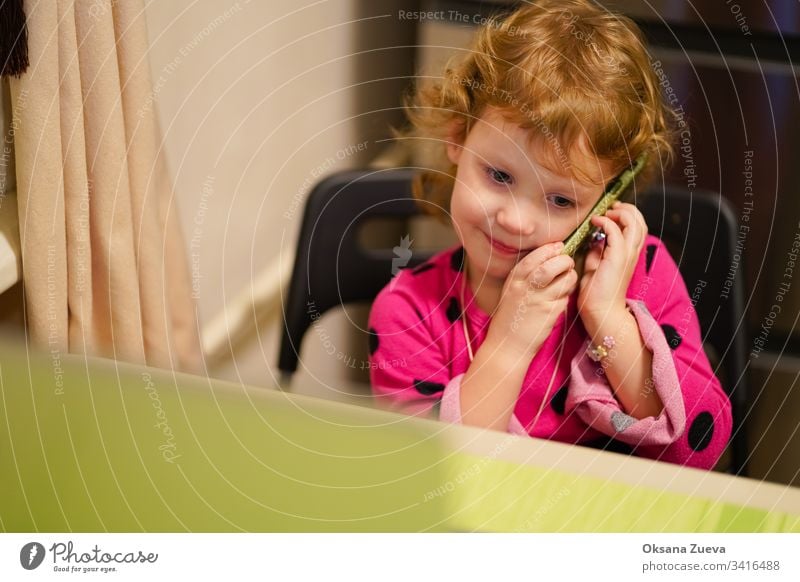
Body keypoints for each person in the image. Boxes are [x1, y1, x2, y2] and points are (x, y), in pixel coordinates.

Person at [367, 0, 731, 469]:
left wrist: (609, 319)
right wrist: (511, 342)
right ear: (457, 138)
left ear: (609, 194)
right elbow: (430, 477)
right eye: (499, 175)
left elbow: (700, 451)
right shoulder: (407, 312)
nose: (518, 221)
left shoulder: (642, 275)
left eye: (561, 200)